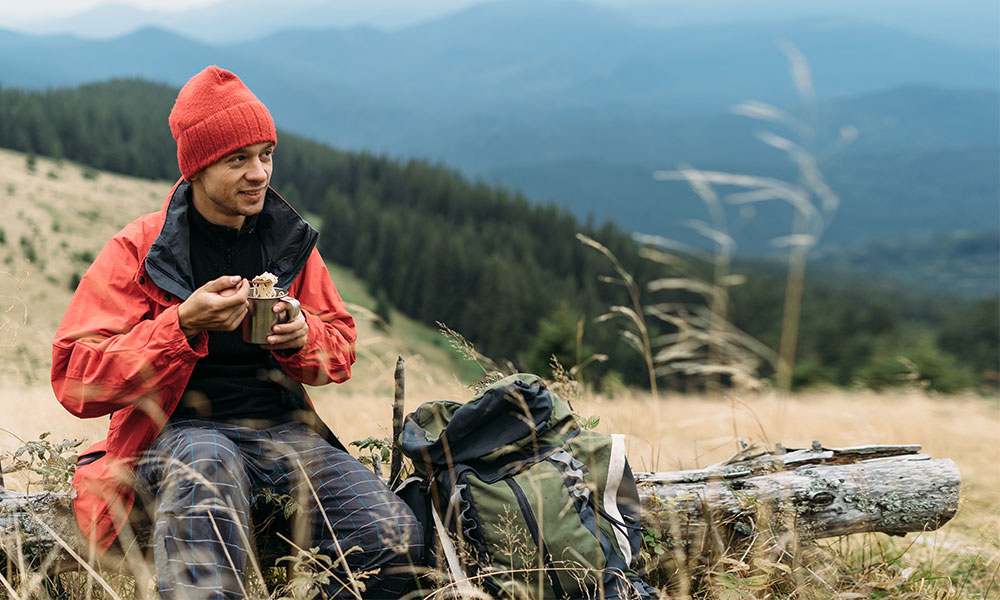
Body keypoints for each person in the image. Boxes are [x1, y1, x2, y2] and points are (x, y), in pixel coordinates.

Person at [51, 65, 423, 599]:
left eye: (266, 154)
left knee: (396, 543)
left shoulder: (286, 243)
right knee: (209, 467)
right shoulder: (140, 250)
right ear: (197, 169)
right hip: (180, 435)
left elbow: (338, 351)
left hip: (284, 435)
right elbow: (75, 378)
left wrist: (303, 336)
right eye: (238, 159)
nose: (259, 174)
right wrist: (180, 326)